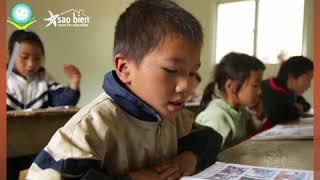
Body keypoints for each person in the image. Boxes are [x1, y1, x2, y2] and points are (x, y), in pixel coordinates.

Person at [26, 0, 222, 179]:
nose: (187, 85)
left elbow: (210, 138)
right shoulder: (93, 126)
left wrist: (190, 157)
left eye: (191, 73)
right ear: (124, 68)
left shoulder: (174, 118)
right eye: (171, 70)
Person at [196, 52, 266, 149]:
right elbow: (209, 159)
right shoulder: (217, 118)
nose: (260, 91)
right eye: (255, 85)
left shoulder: (241, 112)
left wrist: (257, 116)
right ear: (230, 86)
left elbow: (251, 141)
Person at [6, 30, 81, 110]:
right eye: (24, 57)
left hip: (37, 122)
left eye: (37, 58)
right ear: (10, 56)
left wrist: (74, 82)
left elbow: (62, 103)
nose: (31, 64)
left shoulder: (44, 78)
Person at [261, 56, 313, 125]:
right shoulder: (269, 89)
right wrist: (296, 109)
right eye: (307, 80)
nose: (309, 85)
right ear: (291, 77)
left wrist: (298, 108)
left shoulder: (290, 91)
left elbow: (306, 105)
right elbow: (280, 115)